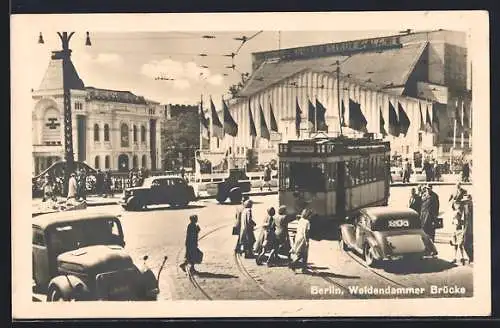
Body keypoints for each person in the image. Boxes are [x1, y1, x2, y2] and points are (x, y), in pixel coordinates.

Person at [289, 208, 312, 274]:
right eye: (310, 215)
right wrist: (307, 241)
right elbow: (306, 232)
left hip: (298, 237)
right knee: (304, 254)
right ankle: (294, 265)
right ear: (308, 215)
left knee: (301, 253)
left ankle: (303, 268)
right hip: (303, 239)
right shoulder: (307, 222)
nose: (310, 216)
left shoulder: (301, 220)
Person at [463, 194, 473, 263]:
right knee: (465, 244)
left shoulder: (473, 207)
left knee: (467, 244)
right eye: (465, 201)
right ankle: (471, 257)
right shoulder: (465, 207)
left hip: (471, 229)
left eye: (467, 201)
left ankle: (472, 257)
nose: (466, 203)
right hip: (467, 229)